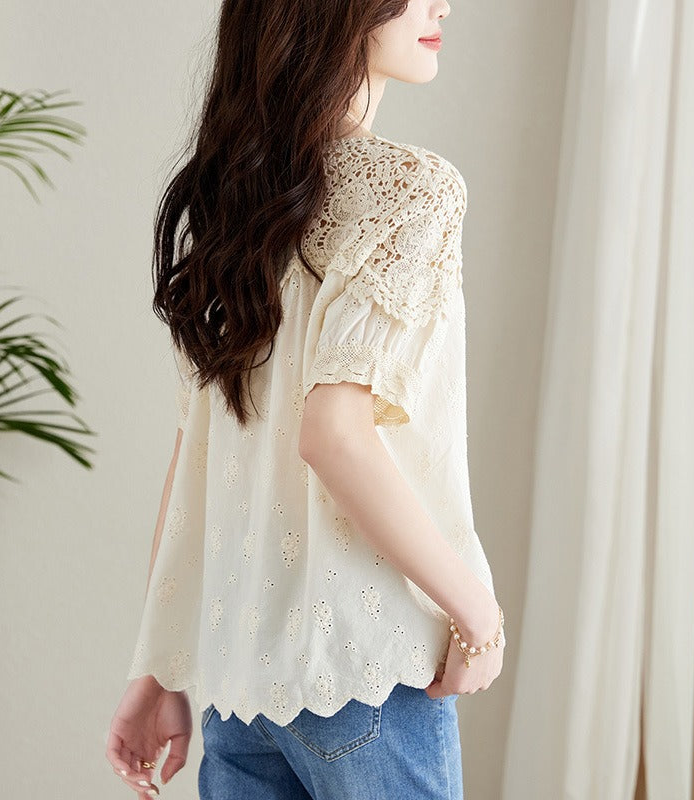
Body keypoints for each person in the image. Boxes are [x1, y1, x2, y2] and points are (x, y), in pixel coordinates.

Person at [105, 0, 506, 797]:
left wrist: (157, 667)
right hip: (364, 672)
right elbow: (334, 435)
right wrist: (478, 615)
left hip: (239, 690)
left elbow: (197, 456)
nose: (442, 5)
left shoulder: (233, 205)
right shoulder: (413, 190)